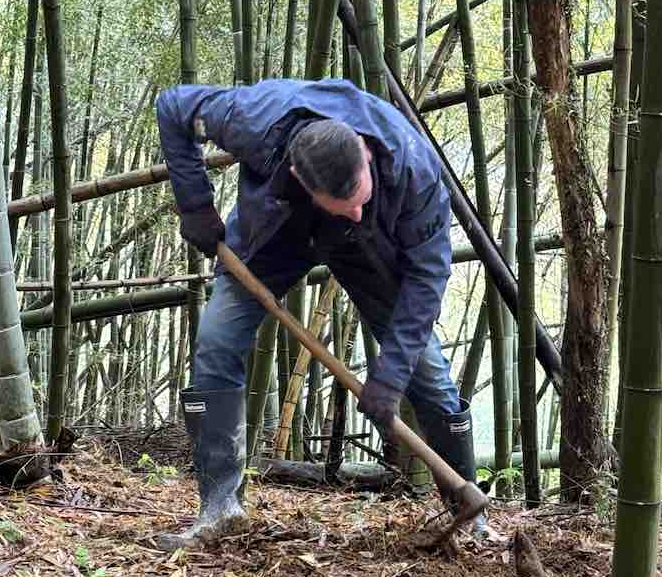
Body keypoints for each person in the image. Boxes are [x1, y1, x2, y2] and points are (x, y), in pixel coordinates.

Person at [154, 78, 488, 548]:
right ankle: (219, 508)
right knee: (215, 340)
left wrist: (389, 377)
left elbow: (428, 278)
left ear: (365, 154)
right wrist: (195, 205)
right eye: (343, 204)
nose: (353, 210)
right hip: (278, 232)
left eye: (359, 198)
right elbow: (172, 105)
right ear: (300, 176)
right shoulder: (258, 119)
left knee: (427, 374)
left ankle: (466, 515)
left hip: (371, 248)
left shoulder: (412, 168)